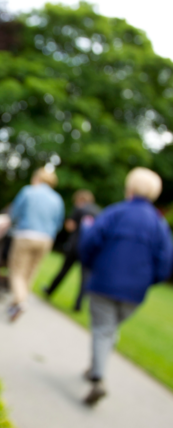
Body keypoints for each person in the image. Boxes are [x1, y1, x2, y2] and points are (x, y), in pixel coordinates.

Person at [79, 167, 173, 405]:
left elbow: (90, 241)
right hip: (135, 293)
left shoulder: (115, 212)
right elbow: (165, 262)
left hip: (104, 282)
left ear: (129, 189)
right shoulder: (159, 224)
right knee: (109, 330)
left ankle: (98, 378)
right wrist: (148, 280)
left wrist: (91, 265)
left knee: (103, 329)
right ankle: (94, 367)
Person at [8, 167, 65, 322]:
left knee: (17, 271)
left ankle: (20, 301)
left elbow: (15, 213)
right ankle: (17, 303)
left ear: (38, 178)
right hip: (46, 239)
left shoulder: (29, 191)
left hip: (25, 235)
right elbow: (58, 223)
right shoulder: (57, 199)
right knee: (30, 272)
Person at [43, 190, 100, 311]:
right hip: (88, 248)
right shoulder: (98, 212)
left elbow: (70, 226)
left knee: (64, 270)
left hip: (75, 245)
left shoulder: (80, 209)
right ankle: (78, 305)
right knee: (85, 278)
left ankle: (49, 291)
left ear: (80, 199)